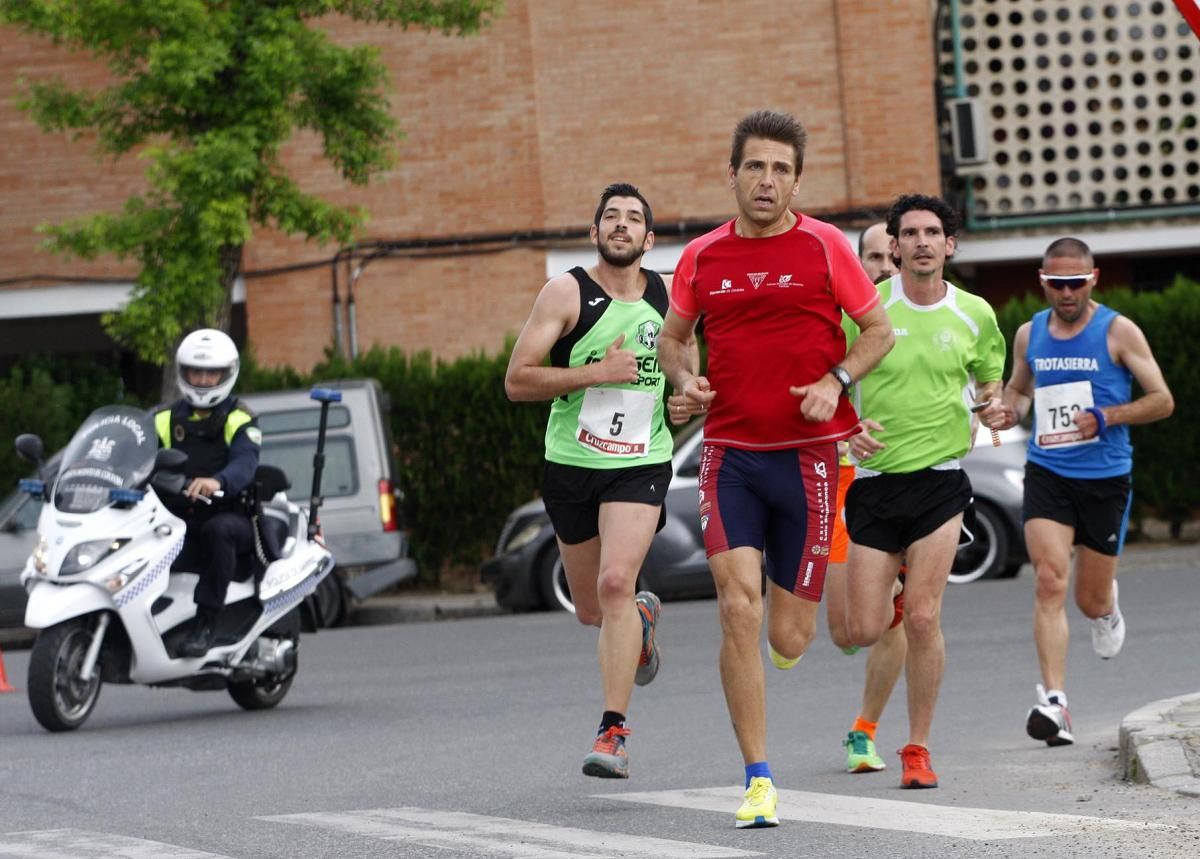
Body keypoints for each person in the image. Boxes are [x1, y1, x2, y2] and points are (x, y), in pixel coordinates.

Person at [657, 109, 895, 828]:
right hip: (730, 455)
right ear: (731, 173)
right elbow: (674, 339)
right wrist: (686, 380)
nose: (767, 181)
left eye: (781, 169)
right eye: (755, 166)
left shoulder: (826, 247)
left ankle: (783, 643)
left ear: (797, 179)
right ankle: (758, 777)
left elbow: (878, 330)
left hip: (808, 460)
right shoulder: (701, 257)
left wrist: (838, 381)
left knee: (789, 635)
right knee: (737, 608)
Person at [504, 182, 673, 780]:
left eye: (633, 219)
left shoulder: (667, 298)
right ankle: (641, 623)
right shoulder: (566, 292)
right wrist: (597, 372)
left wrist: (688, 402)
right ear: (594, 231)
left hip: (641, 461)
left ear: (649, 240)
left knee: (614, 581)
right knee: (591, 610)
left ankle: (613, 733)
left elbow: (685, 373)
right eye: (611, 217)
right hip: (572, 465)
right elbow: (517, 380)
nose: (621, 226)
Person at [840, 194, 1005, 789]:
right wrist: (845, 430)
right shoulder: (866, 311)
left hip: (939, 482)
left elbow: (990, 379)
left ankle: (917, 748)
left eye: (933, 232)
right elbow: (827, 381)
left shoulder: (974, 314)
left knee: (925, 619)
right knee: (861, 628)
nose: (922, 242)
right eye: (910, 233)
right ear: (897, 245)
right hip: (875, 484)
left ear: (950, 244)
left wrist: (996, 407)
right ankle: (902, 601)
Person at [983, 238, 1174, 747]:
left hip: (1106, 477)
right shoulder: (1030, 334)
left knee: (1088, 601)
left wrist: (1109, 416)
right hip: (1049, 471)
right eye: (1056, 283)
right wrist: (1008, 411)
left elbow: (1162, 400)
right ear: (1042, 281)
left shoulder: (1118, 331)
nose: (1066, 293)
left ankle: (1106, 606)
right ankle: (1056, 703)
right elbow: (1020, 390)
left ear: (1093, 279)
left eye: (1075, 283)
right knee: (1048, 579)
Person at [823, 221, 907, 776]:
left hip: (903, 481)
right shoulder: (834, 320)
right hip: (841, 479)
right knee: (849, 631)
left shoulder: (923, 318)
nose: (879, 266)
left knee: (908, 615)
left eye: (888, 257)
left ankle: (866, 728)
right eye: (870, 257)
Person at [155, 328, 262, 658]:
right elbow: (134, 455)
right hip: (178, 518)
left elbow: (246, 462)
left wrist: (219, 481)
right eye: (195, 372)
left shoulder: (239, 418)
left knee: (220, 530)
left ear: (226, 373)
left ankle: (207, 621)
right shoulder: (163, 419)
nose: (202, 379)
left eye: (210, 372)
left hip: (230, 517)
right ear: (183, 373)